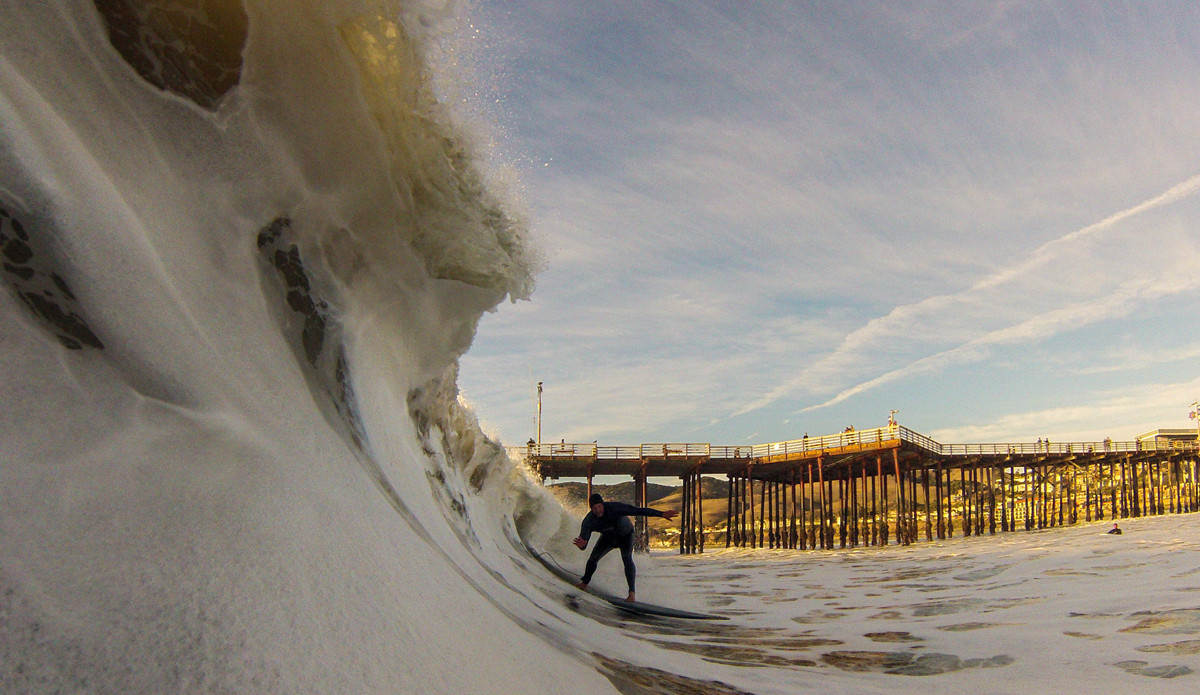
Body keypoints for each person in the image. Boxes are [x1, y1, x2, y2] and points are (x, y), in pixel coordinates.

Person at [573, 493, 678, 602]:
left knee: (627, 558)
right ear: (591, 509)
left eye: (599, 506)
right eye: (594, 508)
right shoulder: (589, 521)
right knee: (592, 559)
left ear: (603, 504)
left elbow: (638, 511)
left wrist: (661, 514)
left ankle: (631, 594)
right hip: (608, 539)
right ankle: (584, 583)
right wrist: (582, 546)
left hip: (626, 536)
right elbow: (583, 544)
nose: (598, 510)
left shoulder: (615, 508)